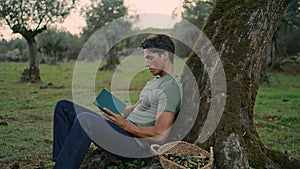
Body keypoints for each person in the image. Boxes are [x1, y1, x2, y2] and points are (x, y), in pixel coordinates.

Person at [52, 34, 182, 169]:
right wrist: (109, 105)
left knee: (85, 120)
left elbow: (160, 135)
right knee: (63, 107)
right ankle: (61, 160)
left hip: (134, 144)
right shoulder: (156, 81)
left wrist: (125, 125)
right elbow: (132, 109)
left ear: (165, 55)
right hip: (124, 131)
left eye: (150, 58)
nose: (146, 64)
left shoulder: (170, 88)